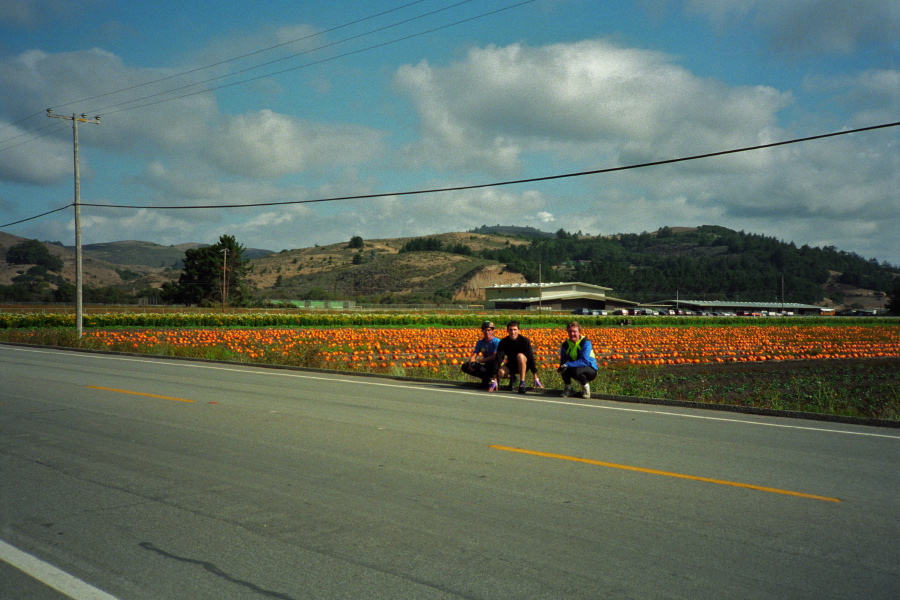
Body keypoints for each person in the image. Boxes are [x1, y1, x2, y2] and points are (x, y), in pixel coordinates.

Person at [496, 320, 543, 394]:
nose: (513, 332)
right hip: (511, 364)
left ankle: (522, 383)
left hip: (523, 364)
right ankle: (513, 378)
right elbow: (499, 358)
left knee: (520, 356)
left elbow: (530, 357)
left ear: (519, 330)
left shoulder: (524, 341)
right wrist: (495, 377)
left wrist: (535, 374)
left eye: (515, 330)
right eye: (510, 330)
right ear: (507, 330)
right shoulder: (503, 342)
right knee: (500, 373)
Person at [557, 321, 598, 398]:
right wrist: (562, 366)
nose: (572, 334)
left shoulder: (585, 342)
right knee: (564, 368)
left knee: (577, 370)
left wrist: (568, 364)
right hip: (576, 366)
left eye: (574, 332)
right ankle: (568, 388)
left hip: (589, 368)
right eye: (570, 331)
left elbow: (584, 361)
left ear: (579, 332)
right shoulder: (566, 344)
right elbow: (564, 358)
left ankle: (586, 389)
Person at [460, 320, 500, 390]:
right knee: (465, 366)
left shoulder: (497, 342)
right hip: (486, 364)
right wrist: (471, 363)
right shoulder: (480, 342)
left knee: (492, 363)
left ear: (492, 331)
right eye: (485, 330)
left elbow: (494, 356)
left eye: (489, 330)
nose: (487, 332)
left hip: (495, 365)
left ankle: (494, 378)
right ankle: (485, 378)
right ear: (482, 331)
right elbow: (474, 355)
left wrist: (479, 361)